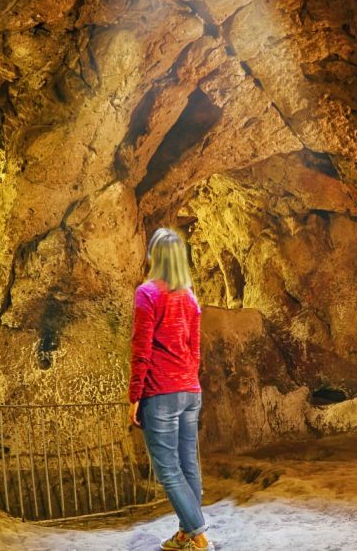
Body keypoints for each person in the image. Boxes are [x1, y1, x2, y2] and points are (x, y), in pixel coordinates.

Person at [129, 228, 211, 550]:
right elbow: (196, 350)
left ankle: (200, 536)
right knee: (188, 464)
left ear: (154, 257)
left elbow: (141, 350)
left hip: (160, 392)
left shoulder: (147, 294)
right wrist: (190, 383)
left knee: (168, 472)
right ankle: (184, 535)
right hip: (190, 390)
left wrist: (135, 395)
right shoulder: (190, 298)